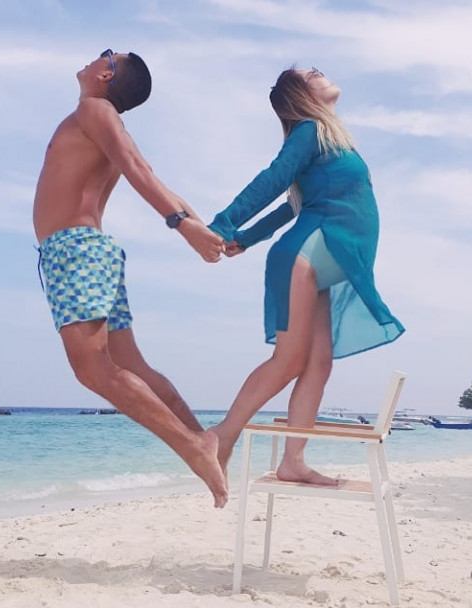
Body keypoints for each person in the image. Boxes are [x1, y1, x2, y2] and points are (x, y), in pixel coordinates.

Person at [33, 49, 228, 507]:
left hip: (75, 251)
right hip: (91, 252)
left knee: (92, 369)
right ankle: (206, 442)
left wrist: (183, 226)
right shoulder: (106, 123)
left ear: (106, 75)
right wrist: (203, 228)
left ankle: (194, 448)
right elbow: (154, 178)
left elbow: (141, 174)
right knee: (131, 366)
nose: (94, 58)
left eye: (105, 55)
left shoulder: (93, 109)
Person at [208, 66, 405, 485]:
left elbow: (292, 204)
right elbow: (273, 179)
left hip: (322, 260)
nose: (322, 72)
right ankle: (220, 438)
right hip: (305, 256)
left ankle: (293, 461)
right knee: (289, 361)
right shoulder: (309, 130)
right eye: (313, 73)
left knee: (318, 364)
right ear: (300, 94)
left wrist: (247, 237)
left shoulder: (331, 138)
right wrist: (225, 224)